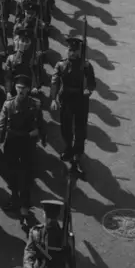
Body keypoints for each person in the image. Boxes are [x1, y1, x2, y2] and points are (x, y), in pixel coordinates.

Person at [0, 72, 45, 232]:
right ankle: (14, 197)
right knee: (11, 173)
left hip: (27, 144)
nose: (20, 91)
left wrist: (42, 136)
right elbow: (1, 126)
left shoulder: (35, 105)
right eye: (18, 87)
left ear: (28, 89)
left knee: (27, 176)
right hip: (12, 143)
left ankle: (24, 210)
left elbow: (41, 123)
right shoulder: (8, 105)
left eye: (23, 88)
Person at [50, 33, 96, 179]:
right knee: (66, 127)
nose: (73, 53)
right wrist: (53, 98)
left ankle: (77, 156)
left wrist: (88, 89)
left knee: (80, 129)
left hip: (81, 100)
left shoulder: (86, 65)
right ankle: (68, 148)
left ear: (80, 52)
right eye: (70, 50)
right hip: (66, 100)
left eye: (75, 51)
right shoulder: (61, 65)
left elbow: (92, 82)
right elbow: (55, 82)